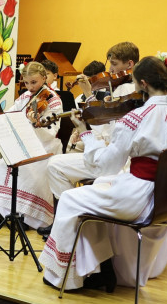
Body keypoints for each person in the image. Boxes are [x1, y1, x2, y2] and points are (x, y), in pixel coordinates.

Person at [41, 55, 167, 292]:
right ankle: (102, 269)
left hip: (139, 198)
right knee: (99, 188)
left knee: (71, 199)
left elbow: (105, 165)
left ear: (143, 83)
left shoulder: (137, 117)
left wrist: (85, 132)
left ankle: (65, 277)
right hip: (164, 199)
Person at [45, 42, 140, 213]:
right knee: (54, 164)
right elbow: (104, 125)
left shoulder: (128, 90)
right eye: (110, 63)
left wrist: (88, 98)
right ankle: (71, 213)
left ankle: (73, 213)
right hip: (107, 152)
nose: (110, 69)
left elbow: (106, 130)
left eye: (115, 64)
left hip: (119, 162)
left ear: (130, 64)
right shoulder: (119, 88)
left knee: (55, 165)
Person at [0, 61, 63, 230]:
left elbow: (52, 130)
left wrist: (35, 124)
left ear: (43, 77)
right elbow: (10, 113)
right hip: (24, 146)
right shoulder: (26, 97)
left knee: (26, 173)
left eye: (34, 82)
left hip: (45, 147)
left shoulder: (53, 100)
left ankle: (27, 218)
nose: (30, 87)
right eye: (26, 83)